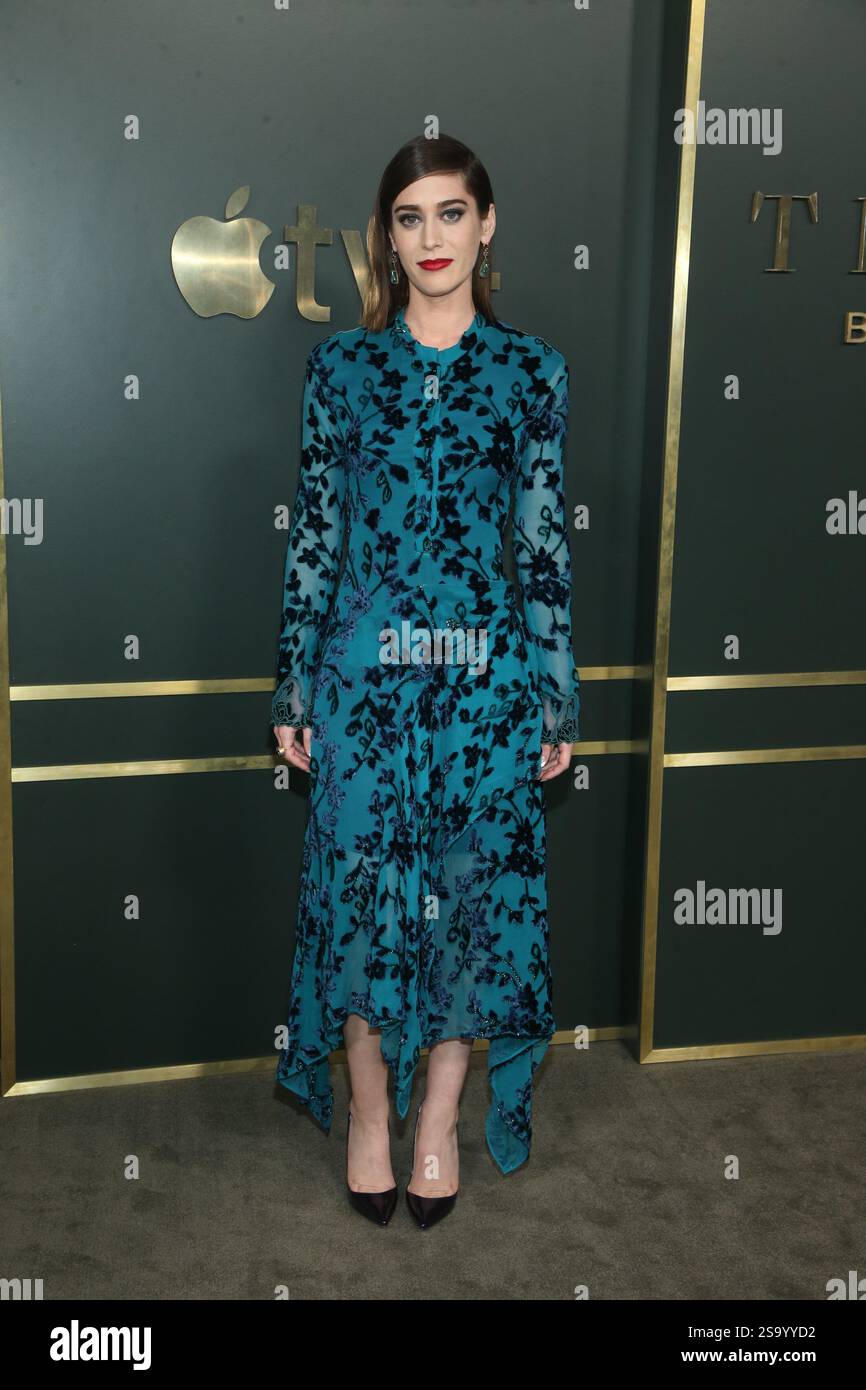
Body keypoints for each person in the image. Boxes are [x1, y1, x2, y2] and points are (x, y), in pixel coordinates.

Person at [271, 133, 580, 1229]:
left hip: (483, 685)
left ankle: (438, 1119)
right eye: (409, 218)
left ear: (485, 225)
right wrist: (293, 687)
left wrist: (554, 691)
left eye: (451, 214)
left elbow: (541, 548)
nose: (431, 238)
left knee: (463, 911)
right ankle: (368, 1117)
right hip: (360, 676)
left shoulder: (529, 371)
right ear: (385, 239)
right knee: (360, 906)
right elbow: (316, 536)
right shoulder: (341, 372)